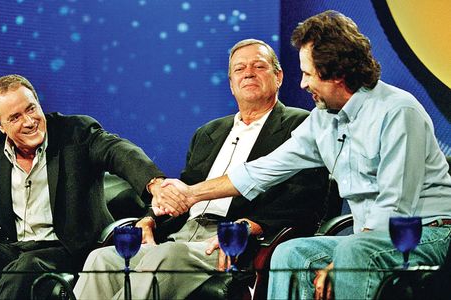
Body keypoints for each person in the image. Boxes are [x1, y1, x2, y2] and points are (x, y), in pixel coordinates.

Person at [157, 10, 451, 300]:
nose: (302, 83)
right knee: (291, 253)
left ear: (336, 74)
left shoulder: (398, 111)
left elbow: (394, 206)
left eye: (308, 73)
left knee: (352, 252)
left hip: (426, 234)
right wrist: (192, 193)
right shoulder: (323, 118)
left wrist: (340, 264)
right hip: (367, 240)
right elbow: (262, 170)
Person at [73, 39, 328, 299]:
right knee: (102, 260)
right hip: (181, 234)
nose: (248, 72)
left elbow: (306, 195)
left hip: (231, 240)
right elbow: (184, 191)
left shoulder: (301, 124)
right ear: (231, 84)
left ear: (279, 77)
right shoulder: (208, 133)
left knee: (166, 257)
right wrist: (150, 219)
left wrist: (250, 226)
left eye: (258, 66)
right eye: (239, 69)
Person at [0, 74, 165, 300]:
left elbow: (117, 151)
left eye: (31, 109)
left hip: (68, 247)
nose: (30, 122)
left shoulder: (75, 132)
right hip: (14, 245)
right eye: (15, 117)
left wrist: (154, 183)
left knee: (26, 267)